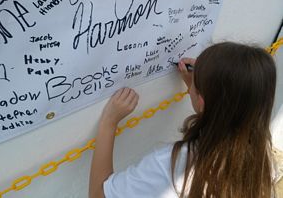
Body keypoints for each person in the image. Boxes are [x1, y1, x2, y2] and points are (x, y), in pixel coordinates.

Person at [89, 42, 277, 198]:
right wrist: (197, 87)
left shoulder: (173, 166)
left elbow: (98, 195)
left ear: (202, 102)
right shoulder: (261, 153)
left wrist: (108, 122)